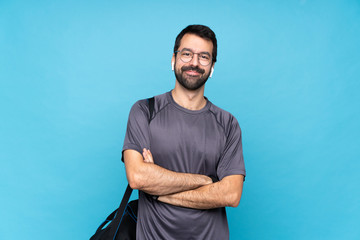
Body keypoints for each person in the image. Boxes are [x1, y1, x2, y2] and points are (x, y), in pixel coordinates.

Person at [122, 24, 246, 240]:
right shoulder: (144, 111)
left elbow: (231, 194)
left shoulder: (227, 124)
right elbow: (138, 177)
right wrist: (204, 181)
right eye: (187, 54)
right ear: (173, 59)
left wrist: (159, 190)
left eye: (204, 57)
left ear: (212, 66)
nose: (194, 63)